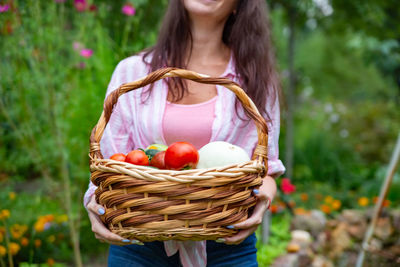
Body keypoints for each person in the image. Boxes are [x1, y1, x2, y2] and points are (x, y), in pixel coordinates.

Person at [84, 0, 285, 266]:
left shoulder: (256, 80)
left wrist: (262, 202)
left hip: (225, 243)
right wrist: (95, 204)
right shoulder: (132, 72)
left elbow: (266, 169)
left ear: (240, 5)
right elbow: (108, 163)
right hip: (138, 242)